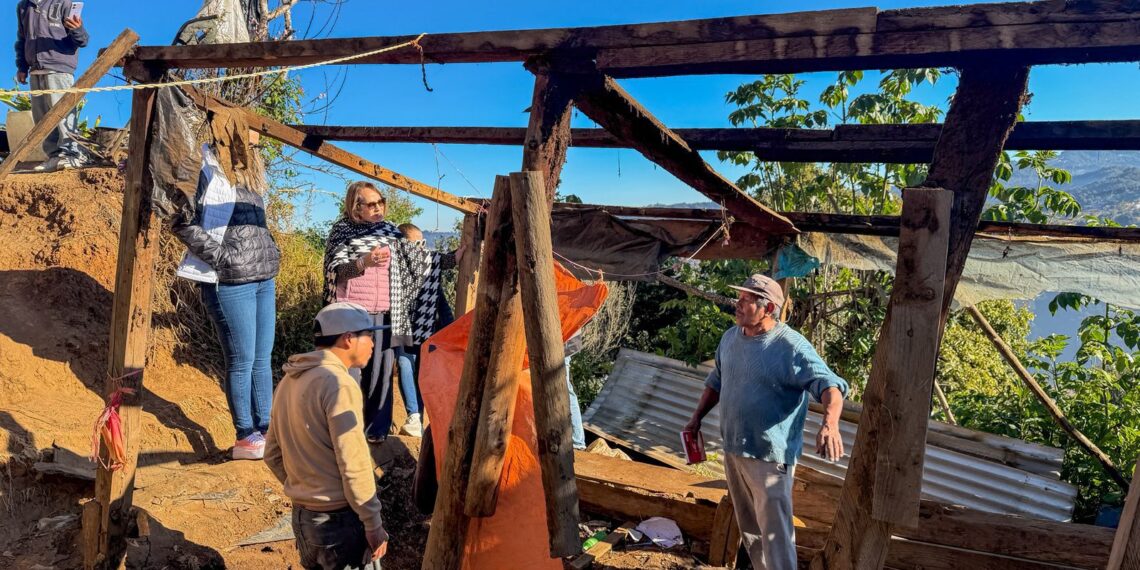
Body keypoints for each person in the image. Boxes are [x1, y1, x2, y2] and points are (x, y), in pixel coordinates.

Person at [683, 274, 847, 570]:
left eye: (746, 300)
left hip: (770, 458)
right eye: (739, 297)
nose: (738, 304)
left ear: (768, 308)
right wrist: (695, 420)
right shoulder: (731, 338)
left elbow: (830, 386)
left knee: (776, 535)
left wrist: (830, 424)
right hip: (734, 448)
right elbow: (717, 381)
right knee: (751, 531)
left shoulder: (790, 346)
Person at [172, 147, 280, 461]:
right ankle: (246, 435)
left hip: (263, 276)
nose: (254, 141)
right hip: (230, 280)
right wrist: (222, 258)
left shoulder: (252, 176)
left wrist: (271, 250)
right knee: (242, 359)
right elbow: (180, 219)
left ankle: (268, 429)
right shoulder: (203, 167)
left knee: (262, 358)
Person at [264, 302, 389, 570]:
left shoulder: (290, 379)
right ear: (348, 339)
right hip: (338, 523)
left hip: (304, 519)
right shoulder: (339, 384)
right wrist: (373, 522)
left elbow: (272, 453)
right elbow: (353, 462)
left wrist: (306, 488)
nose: (372, 344)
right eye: (369, 335)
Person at [390, 223, 460, 437]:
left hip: (426, 328)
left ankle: (418, 418)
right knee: (405, 364)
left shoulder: (428, 272)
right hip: (403, 324)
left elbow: (446, 263)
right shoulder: (393, 265)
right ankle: (414, 417)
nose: (422, 249)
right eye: (417, 244)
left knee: (417, 368)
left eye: (423, 243)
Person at [15, 0, 89, 171]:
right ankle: (54, 156)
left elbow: (83, 40)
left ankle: (72, 155)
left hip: (59, 68)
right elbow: (22, 39)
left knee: (63, 113)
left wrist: (77, 29)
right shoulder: (23, 7)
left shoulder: (64, 3)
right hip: (35, 69)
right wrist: (22, 67)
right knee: (42, 117)